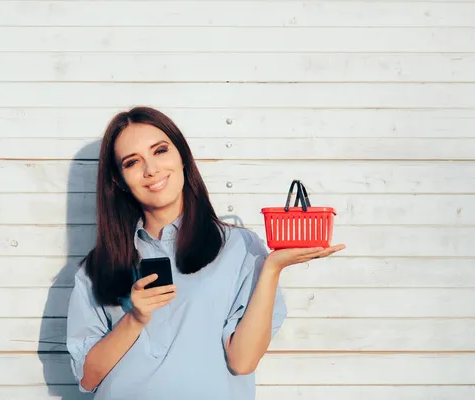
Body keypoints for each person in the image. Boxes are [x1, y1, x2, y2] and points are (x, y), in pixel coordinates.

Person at [66, 106, 345, 399]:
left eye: (160, 151)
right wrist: (134, 318)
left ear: (182, 157)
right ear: (119, 180)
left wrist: (272, 268)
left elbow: (243, 361)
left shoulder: (239, 247)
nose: (151, 170)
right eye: (132, 162)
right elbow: (87, 378)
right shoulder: (99, 266)